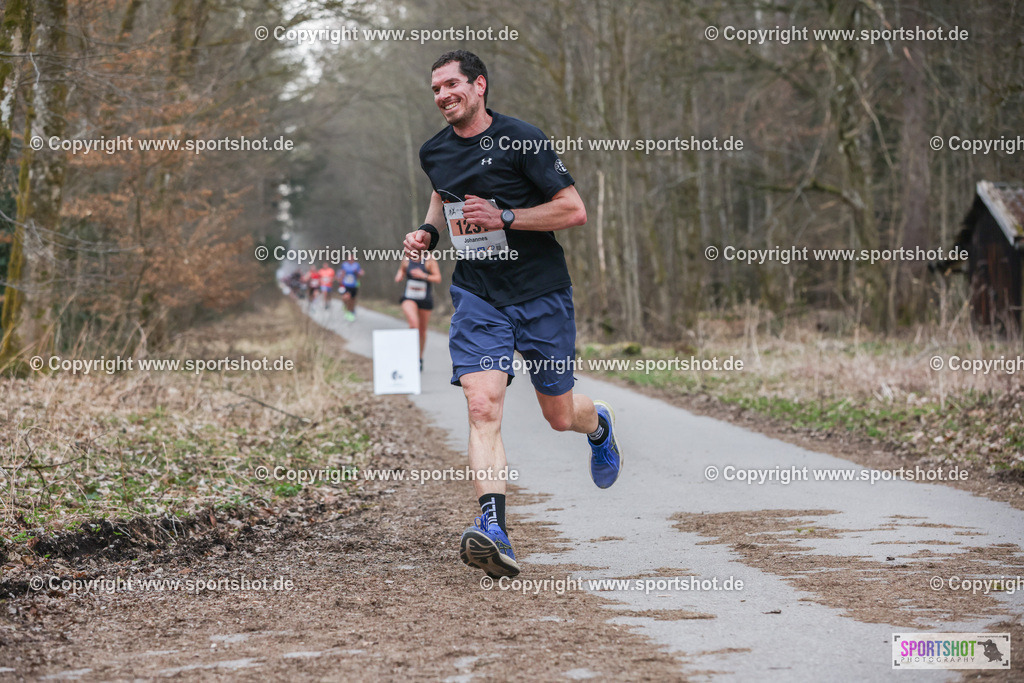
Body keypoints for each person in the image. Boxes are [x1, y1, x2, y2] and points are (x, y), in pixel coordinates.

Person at [403, 50, 622, 579]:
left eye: (452, 84)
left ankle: (598, 425)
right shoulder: (434, 151)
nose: (442, 95)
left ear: (479, 86)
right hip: (479, 295)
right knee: (483, 405)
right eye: (435, 89)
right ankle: (494, 528)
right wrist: (429, 233)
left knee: (558, 415)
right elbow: (442, 196)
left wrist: (505, 215)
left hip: (541, 291)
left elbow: (573, 209)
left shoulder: (522, 139)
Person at [394, 253, 442, 370]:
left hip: (425, 298)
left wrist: (423, 275)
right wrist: (399, 275)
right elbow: (402, 271)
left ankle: (419, 358)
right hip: (409, 297)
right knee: (413, 324)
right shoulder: (406, 258)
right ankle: (410, 356)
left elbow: (438, 278)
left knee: (422, 330)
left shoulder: (429, 260)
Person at [338, 257, 364, 321]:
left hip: (354, 285)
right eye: (350, 259)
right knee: (346, 298)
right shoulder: (344, 265)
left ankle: (351, 312)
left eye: (352, 259)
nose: (351, 260)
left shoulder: (357, 265)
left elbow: (360, 274)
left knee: (352, 299)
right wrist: (340, 280)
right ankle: (346, 308)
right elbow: (342, 273)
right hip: (346, 284)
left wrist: (359, 273)